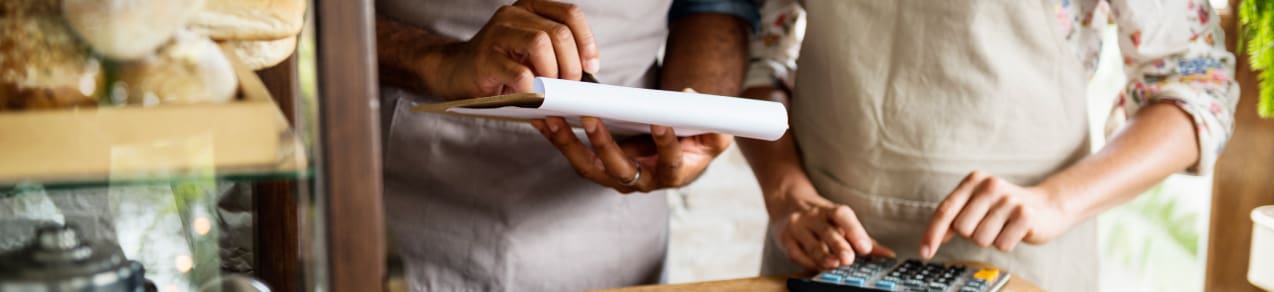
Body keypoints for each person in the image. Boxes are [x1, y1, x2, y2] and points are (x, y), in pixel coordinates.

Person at [737, 0, 1238, 291]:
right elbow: (757, 52)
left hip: (1022, 263)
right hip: (821, 255)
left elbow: (1196, 84)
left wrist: (1056, 201)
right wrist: (787, 197)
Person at [374, 0, 757, 290]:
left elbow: (717, 5)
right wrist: (439, 61)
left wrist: (691, 119)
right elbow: (323, 15)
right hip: (405, 200)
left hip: (610, 218)